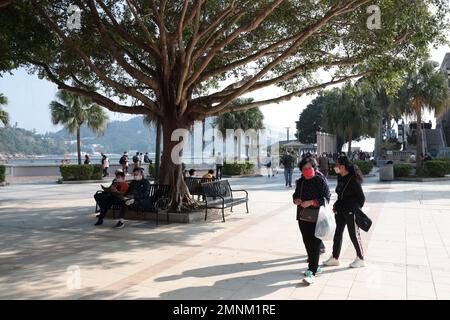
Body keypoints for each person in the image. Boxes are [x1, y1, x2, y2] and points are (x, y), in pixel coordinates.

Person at [323, 156, 366, 269]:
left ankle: (361, 258)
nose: (335, 167)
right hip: (340, 210)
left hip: (351, 211)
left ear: (343, 167)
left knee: (354, 235)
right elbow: (340, 194)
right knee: (338, 234)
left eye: (337, 165)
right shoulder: (340, 177)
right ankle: (335, 258)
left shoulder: (353, 180)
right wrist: (337, 204)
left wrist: (355, 210)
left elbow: (362, 198)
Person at [293, 158, 331, 285]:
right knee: (307, 242)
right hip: (303, 217)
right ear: (301, 170)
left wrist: (311, 202)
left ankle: (312, 272)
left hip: (317, 217)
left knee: (315, 244)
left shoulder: (320, 180)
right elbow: (295, 195)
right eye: (305, 168)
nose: (308, 170)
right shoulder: (301, 181)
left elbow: (326, 198)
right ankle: (315, 267)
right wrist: (296, 200)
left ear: (314, 168)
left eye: (310, 168)